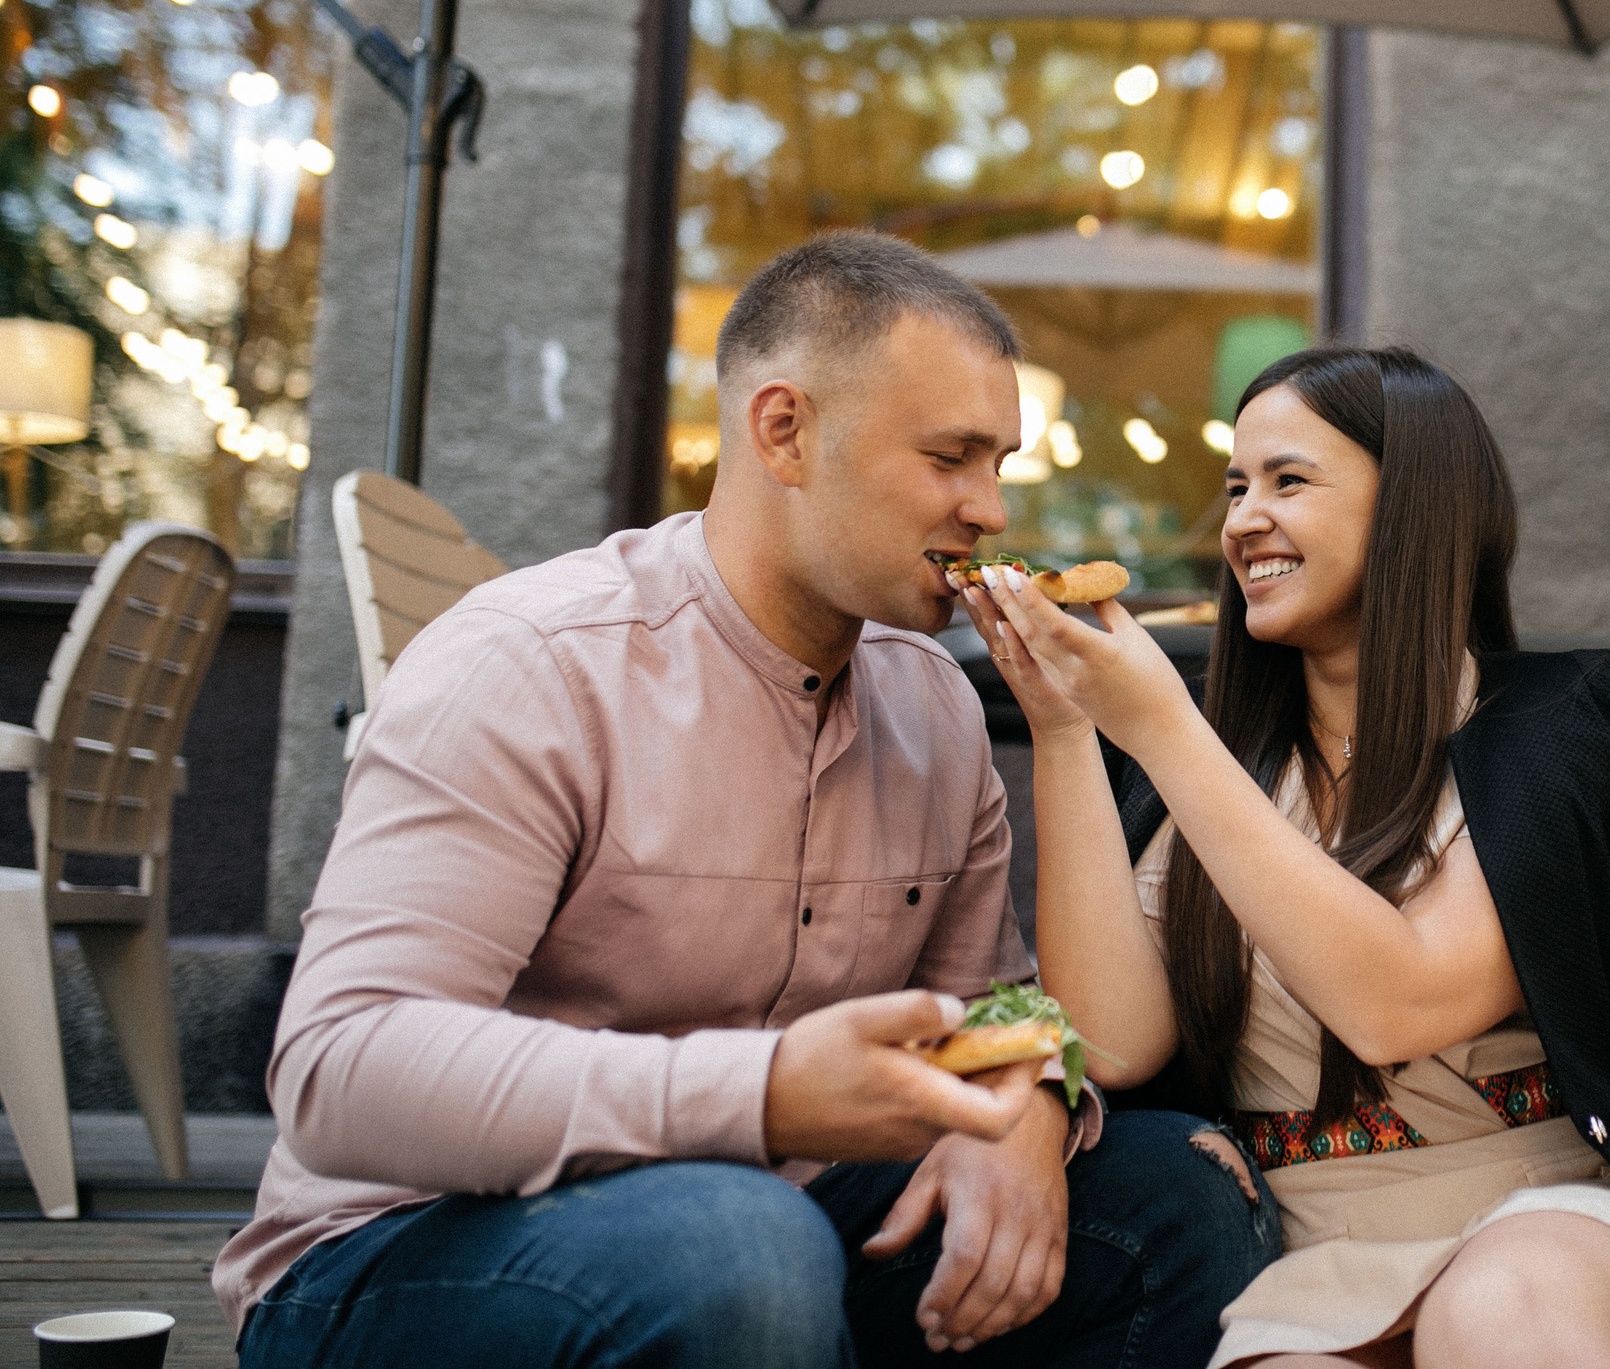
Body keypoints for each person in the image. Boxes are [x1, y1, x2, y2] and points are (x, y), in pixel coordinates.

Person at [216, 232, 1277, 1368]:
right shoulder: (533, 664)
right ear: (784, 431)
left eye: (998, 465)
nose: (990, 510)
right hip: (415, 1247)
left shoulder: (933, 702)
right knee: (740, 1245)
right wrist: (763, 1095)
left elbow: (995, 1006)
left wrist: (1028, 1104)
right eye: (951, 458)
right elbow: (342, 1070)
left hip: (787, 1226)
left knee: (1181, 1192)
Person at [959, 346, 1610, 1369]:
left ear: (1412, 505)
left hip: (1542, 1215)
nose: (1241, 521)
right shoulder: (1215, 770)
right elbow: (1114, 1045)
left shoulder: (1548, 728)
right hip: (1310, 1252)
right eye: (1235, 488)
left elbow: (1398, 1004)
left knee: (1496, 1314)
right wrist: (1064, 732)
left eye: (1287, 482)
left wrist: (1163, 729)